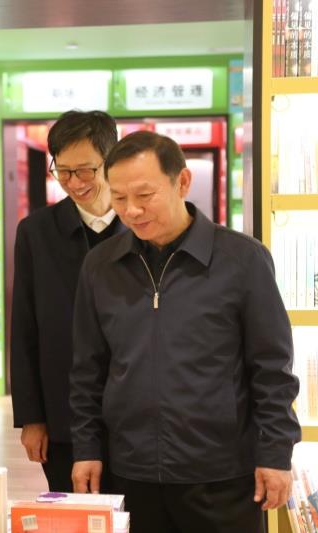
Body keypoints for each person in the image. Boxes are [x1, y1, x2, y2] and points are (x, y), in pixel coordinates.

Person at [70, 131, 301, 532]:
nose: (131, 211)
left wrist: (275, 453)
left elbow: (272, 368)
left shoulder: (243, 259)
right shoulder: (100, 266)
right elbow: (88, 368)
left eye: (145, 195)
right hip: (132, 471)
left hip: (222, 474)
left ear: (182, 182)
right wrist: (86, 448)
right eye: (119, 198)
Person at [10, 110, 123, 491]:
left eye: (85, 170)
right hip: (63, 412)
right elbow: (25, 327)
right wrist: (31, 417)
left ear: (111, 160)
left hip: (135, 415)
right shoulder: (36, 232)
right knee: (73, 511)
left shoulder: (142, 227)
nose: (74, 183)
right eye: (63, 171)